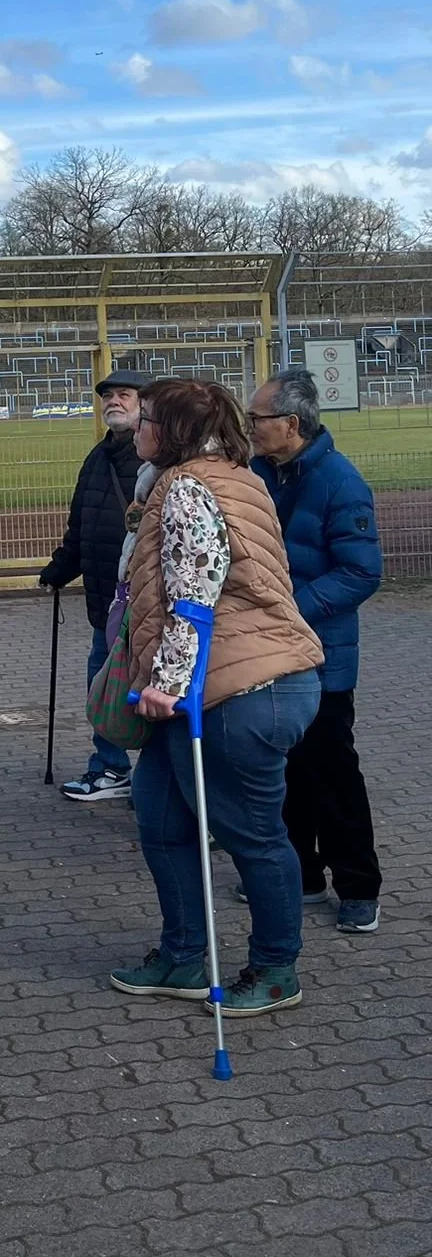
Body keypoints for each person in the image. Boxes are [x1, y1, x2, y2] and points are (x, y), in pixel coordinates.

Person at [111, 377, 323, 1016]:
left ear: (170, 430)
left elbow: (195, 598)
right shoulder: (235, 475)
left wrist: (165, 685)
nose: (135, 426)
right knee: (161, 816)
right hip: (228, 683)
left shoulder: (188, 489)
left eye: (146, 417)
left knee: (252, 834)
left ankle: (276, 967)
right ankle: (183, 953)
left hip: (239, 689)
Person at [249, 368, 383, 933]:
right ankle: (302, 873)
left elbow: (362, 571)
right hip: (271, 651)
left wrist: (291, 606)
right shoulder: (257, 473)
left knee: (332, 768)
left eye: (257, 418)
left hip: (323, 655)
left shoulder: (339, 482)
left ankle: (359, 886)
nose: (249, 427)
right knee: (286, 764)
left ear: (292, 424)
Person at [38, 368, 151, 801]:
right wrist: (58, 570)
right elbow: (81, 527)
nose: (114, 402)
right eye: (108, 396)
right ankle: (110, 768)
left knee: (151, 691)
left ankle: (159, 777)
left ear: (145, 404)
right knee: (103, 689)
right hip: (106, 605)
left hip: (148, 604)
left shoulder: (155, 462)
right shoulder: (97, 458)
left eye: (124, 395)